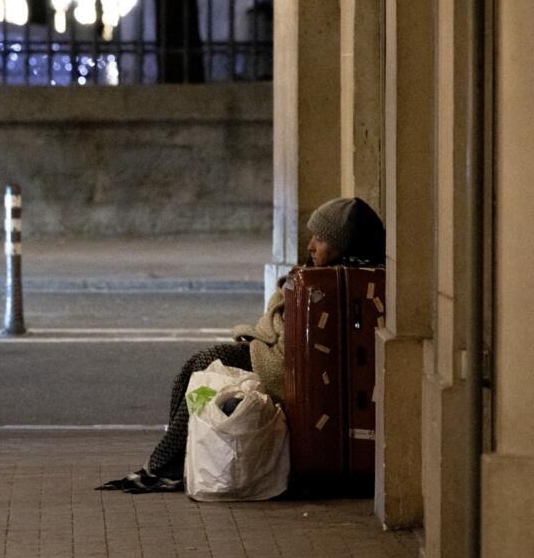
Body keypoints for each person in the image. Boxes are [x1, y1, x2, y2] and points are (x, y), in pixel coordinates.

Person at [97, 197, 386, 494]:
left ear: (346, 246)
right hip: (273, 354)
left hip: (286, 369)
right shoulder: (313, 278)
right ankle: (171, 465)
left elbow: (292, 351)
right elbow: (280, 329)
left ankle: (163, 469)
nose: (311, 246)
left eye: (321, 239)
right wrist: (268, 331)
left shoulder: (334, 286)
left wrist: (264, 334)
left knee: (209, 362)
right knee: (194, 369)